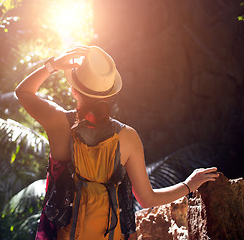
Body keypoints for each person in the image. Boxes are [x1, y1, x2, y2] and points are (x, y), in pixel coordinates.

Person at [15, 46, 219, 240]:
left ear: (74, 90)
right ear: (110, 95)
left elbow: (23, 92)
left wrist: (53, 66)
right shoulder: (128, 137)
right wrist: (188, 185)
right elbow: (147, 199)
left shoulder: (58, 123)